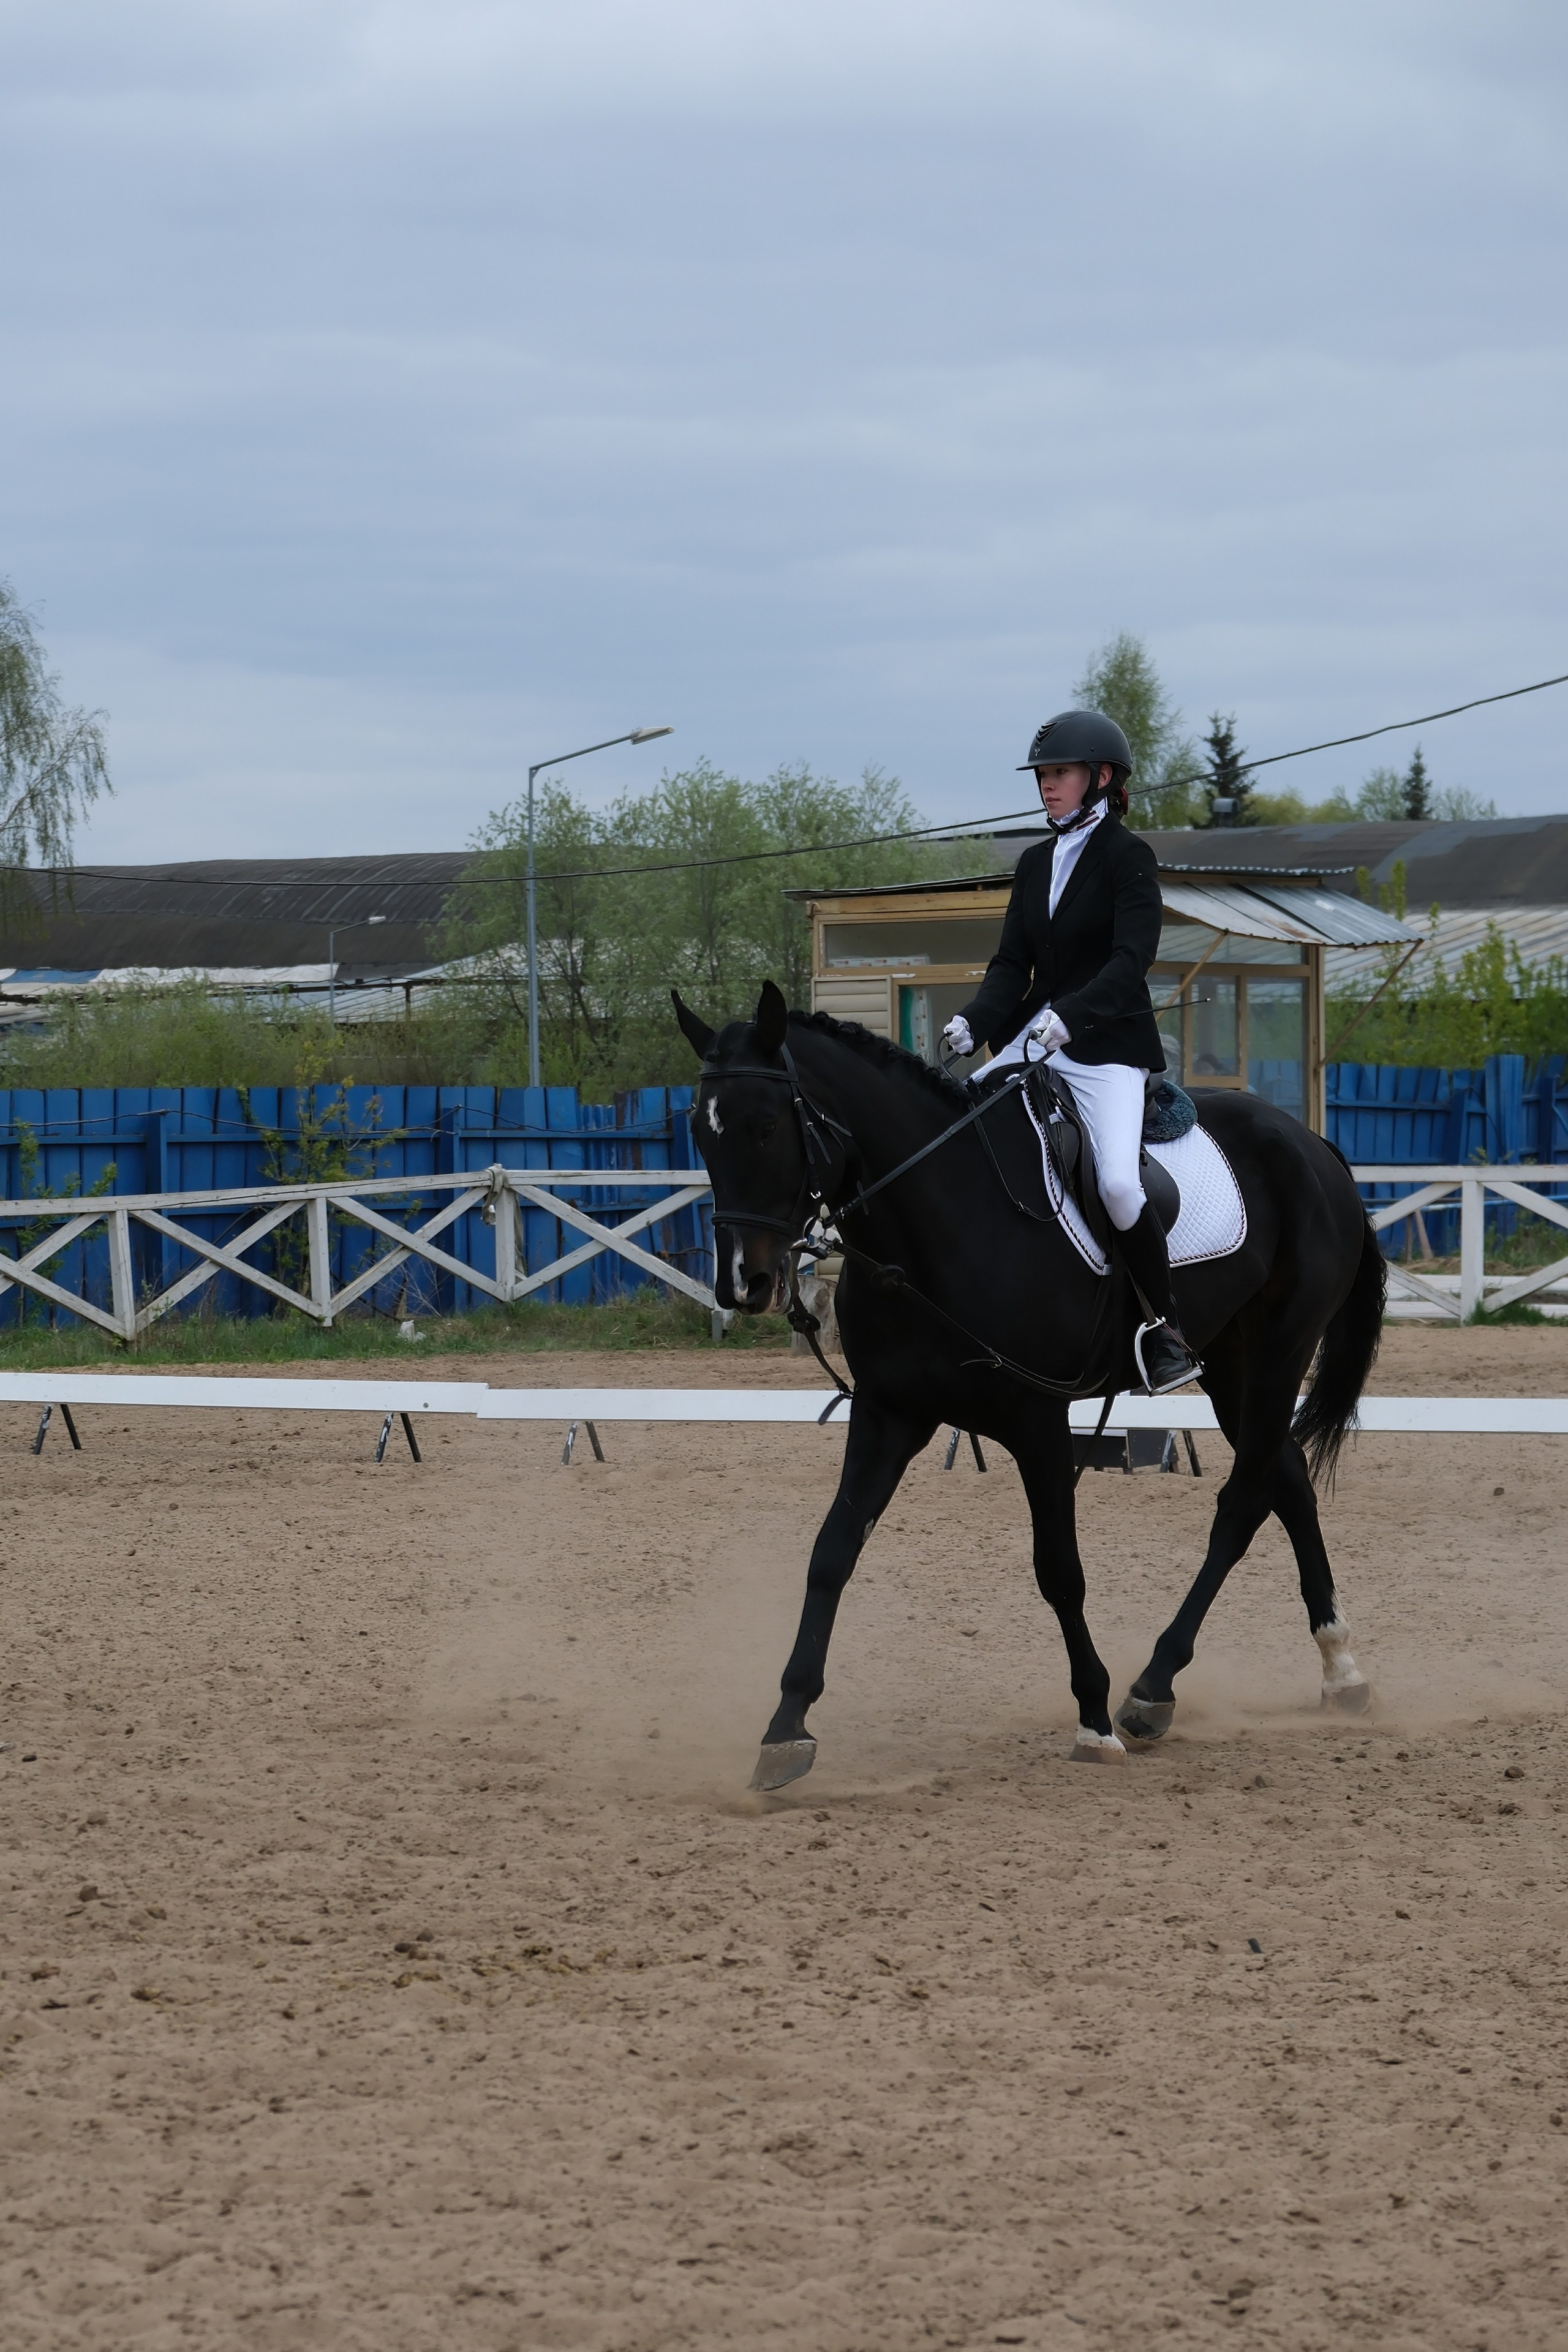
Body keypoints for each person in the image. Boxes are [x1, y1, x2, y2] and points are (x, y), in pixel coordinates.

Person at [941, 708, 1199, 1395]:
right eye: (1043, 776)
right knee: (959, 1138)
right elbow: (1011, 965)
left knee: (1117, 1184)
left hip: (1106, 1049)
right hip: (1035, 1039)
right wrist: (972, 1022)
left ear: (1101, 777)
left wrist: (1073, 1016)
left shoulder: (1128, 857)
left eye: (1059, 773)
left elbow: (1130, 959)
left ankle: (1165, 1330)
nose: (1047, 785)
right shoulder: (1034, 863)